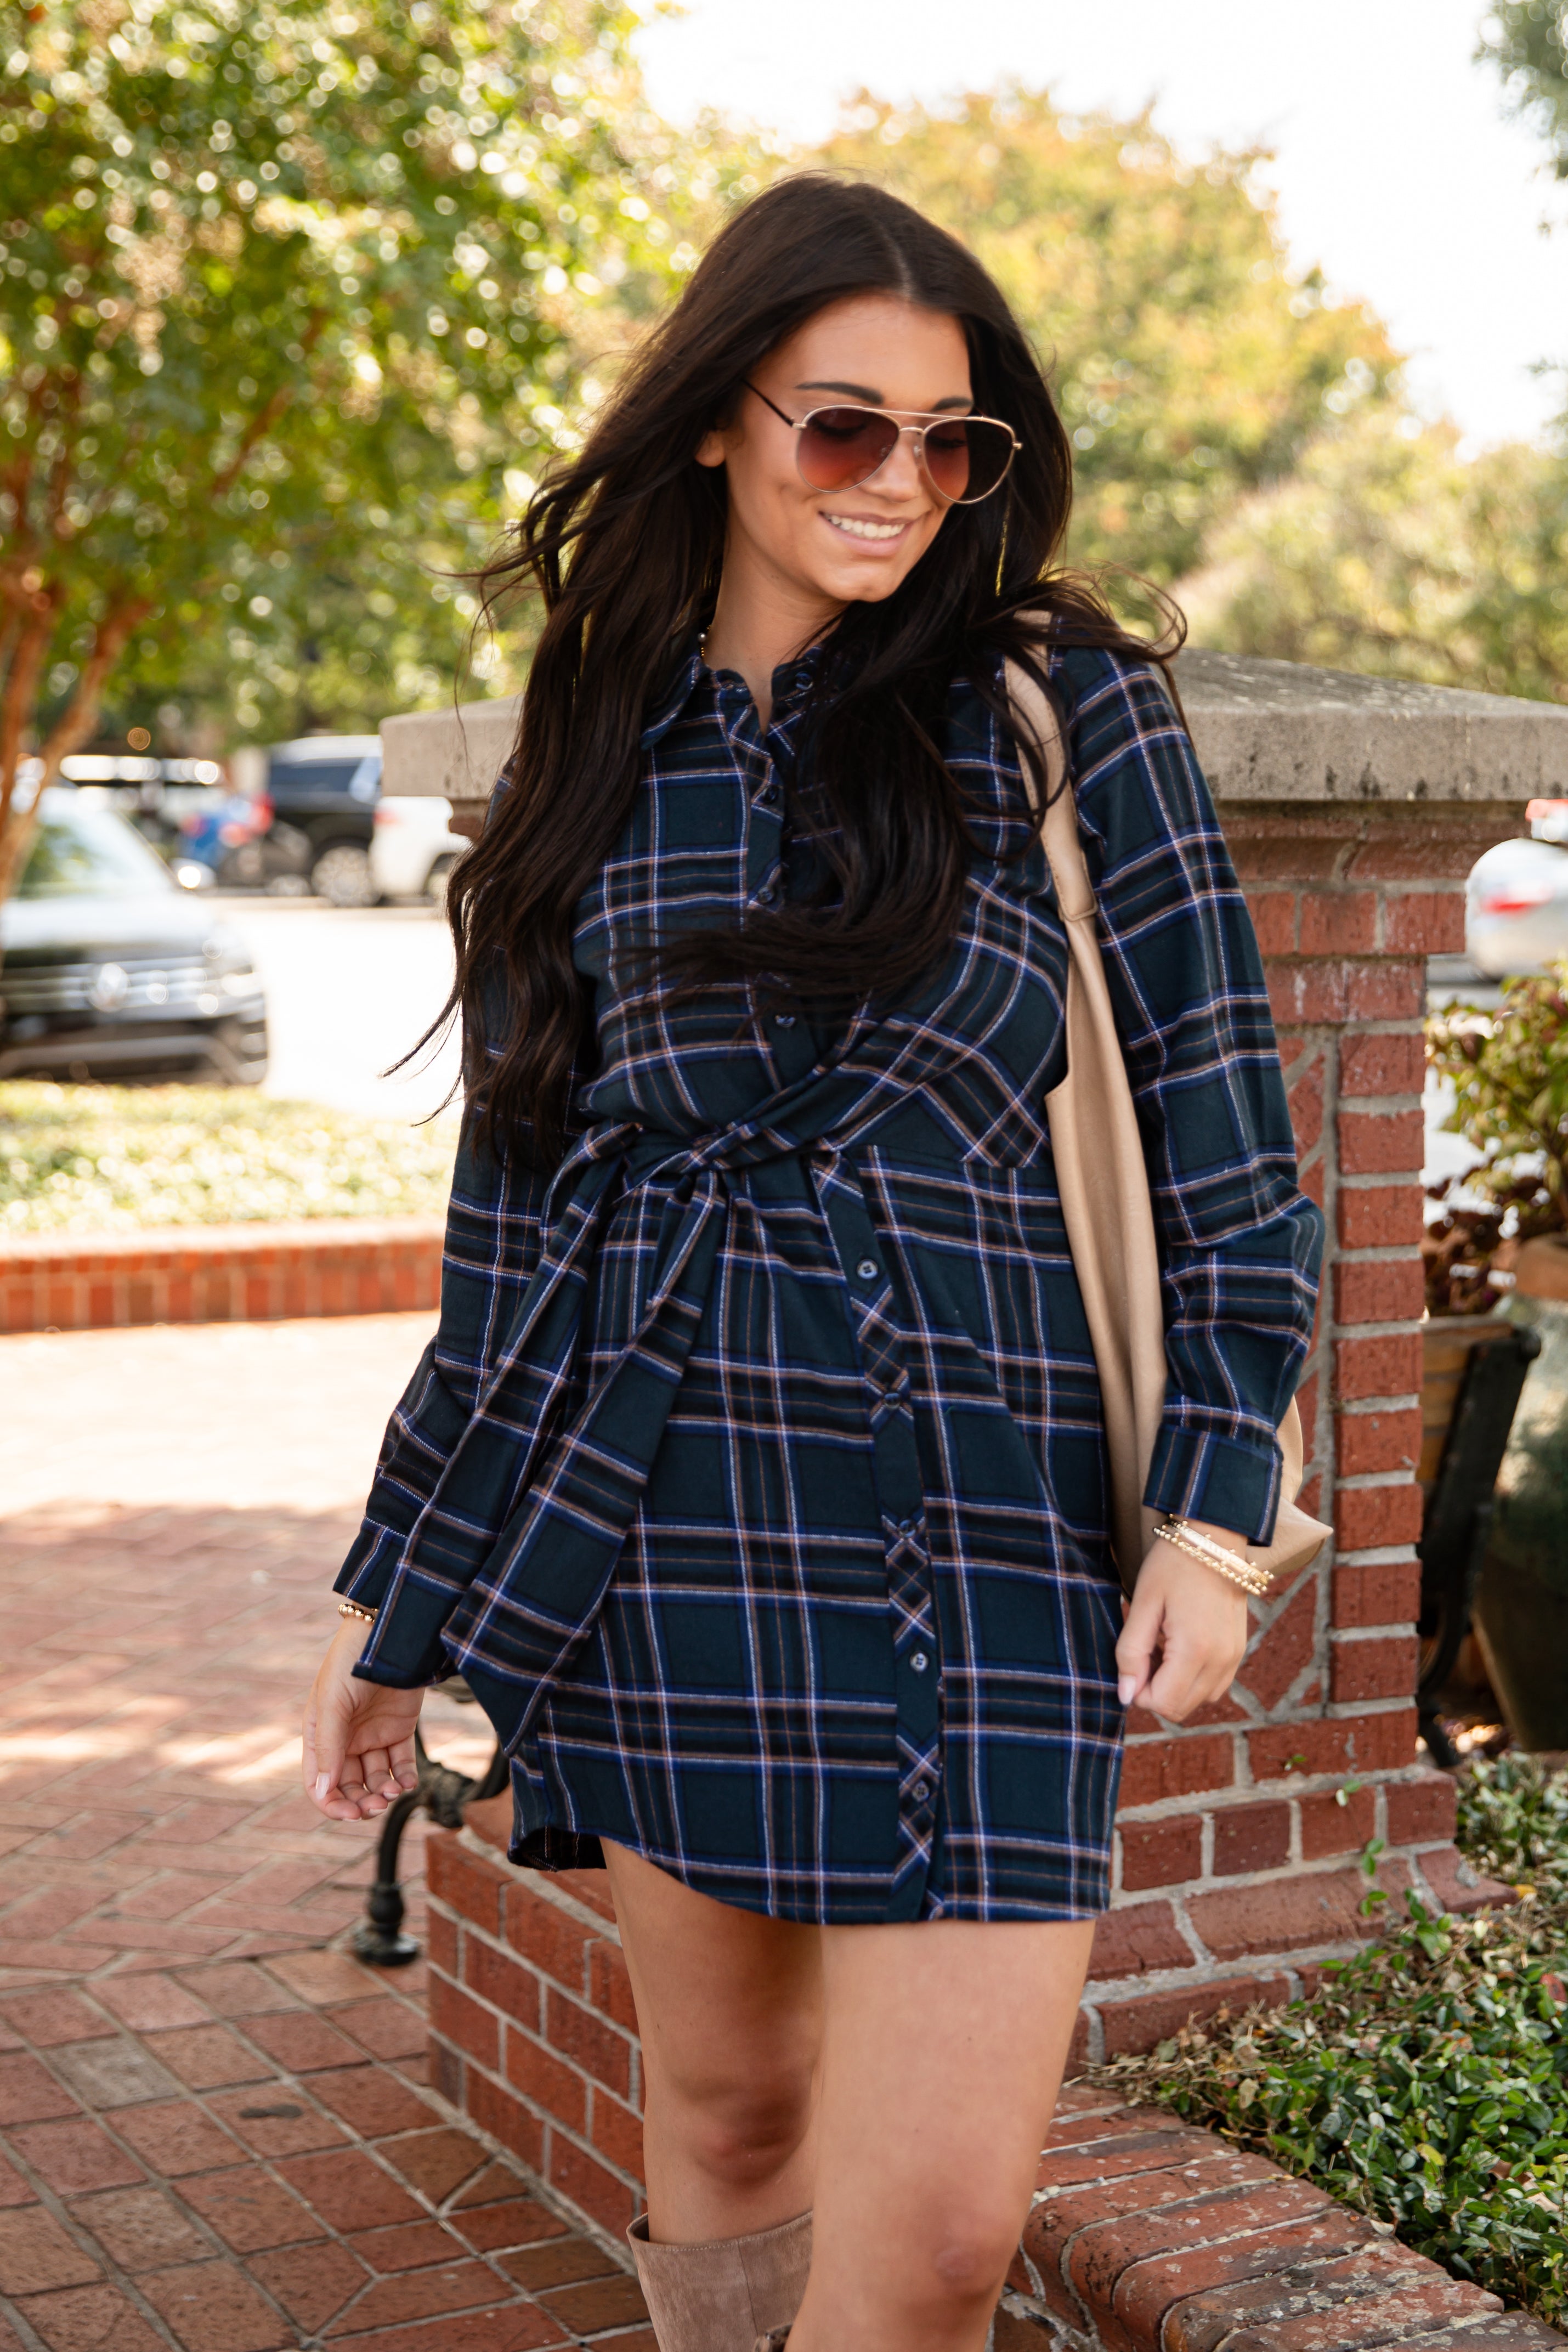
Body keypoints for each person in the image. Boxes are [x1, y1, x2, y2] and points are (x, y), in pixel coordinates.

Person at [302, 174, 1322, 2352]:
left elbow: (1233, 1149)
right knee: (734, 2111)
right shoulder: (596, 742)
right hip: (663, 1508)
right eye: (843, 425)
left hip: (984, 1524)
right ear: (714, 422)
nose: (898, 482)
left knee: (940, 2242)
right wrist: (399, 1603)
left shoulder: (1055, 706)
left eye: (951, 443)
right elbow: (513, 1235)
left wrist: (1214, 1517)